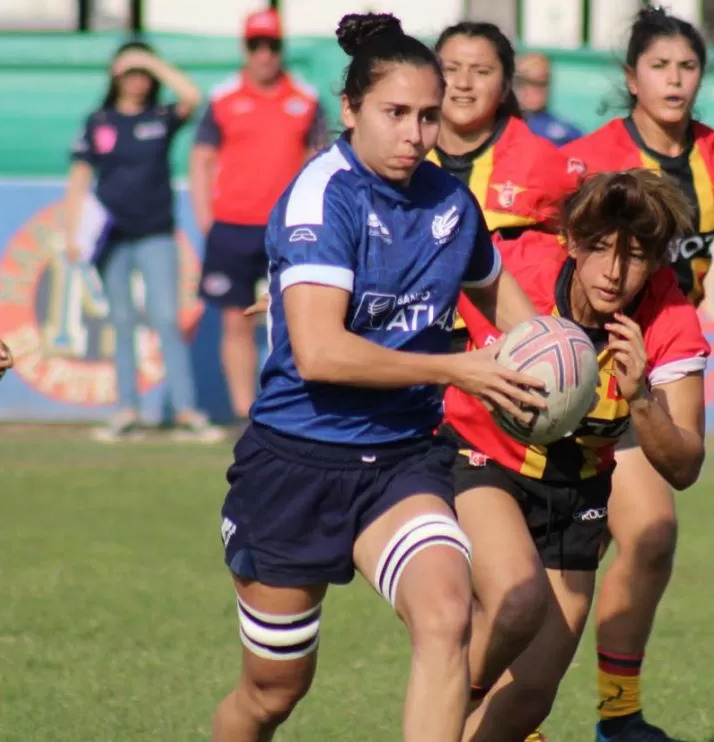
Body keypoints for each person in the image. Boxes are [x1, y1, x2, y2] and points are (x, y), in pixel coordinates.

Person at [211, 14, 548, 742]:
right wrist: (458, 367)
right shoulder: (321, 197)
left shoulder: (450, 205)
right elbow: (321, 355)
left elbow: (512, 312)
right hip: (296, 464)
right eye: (396, 113)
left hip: (400, 460)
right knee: (272, 692)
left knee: (447, 614)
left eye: (429, 116)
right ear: (351, 110)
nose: (415, 134)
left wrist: (559, 366)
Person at [560, 8, 714, 740]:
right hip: (573, 374)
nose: (675, 80)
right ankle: (513, 710)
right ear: (631, 78)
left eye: (687, 67)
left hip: (658, 366)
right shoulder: (589, 158)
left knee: (652, 530)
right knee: (561, 552)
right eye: (660, 66)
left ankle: (618, 718)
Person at [443, 169, 710, 742]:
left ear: (658, 260)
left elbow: (685, 466)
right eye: (601, 250)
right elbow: (421, 279)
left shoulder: (668, 318)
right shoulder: (517, 268)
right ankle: (434, 710)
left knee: (532, 697)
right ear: (571, 242)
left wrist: (642, 398)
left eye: (636, 256)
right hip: (480, 460)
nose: (615, 272)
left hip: (577, 492)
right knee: (517, 600)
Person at [64, 40, 221, 442]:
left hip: (156, 232)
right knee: (121, 321)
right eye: (128, 72)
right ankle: (126, 411)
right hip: (111, 237)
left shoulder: (161, 117)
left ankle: (186, 411)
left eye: (142, 74)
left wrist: (150, 59)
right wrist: (71, 230)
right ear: (115, 77)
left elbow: (193, 97)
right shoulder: (98, 121)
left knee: (167, 318)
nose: (136, 80)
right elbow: (81, 176)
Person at [190, 8, 328, 425]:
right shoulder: (223, 98)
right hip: (231, 226)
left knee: (294, 319)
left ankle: (288, 410)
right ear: (245, 48)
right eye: (256, 45)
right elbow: (201, 159)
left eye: (272, 46)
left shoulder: (304, 99)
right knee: (235, 321)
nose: (264, 54)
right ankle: (242, 413)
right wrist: (206, 219)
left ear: (281, 49)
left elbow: (318, 160)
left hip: (288, 230)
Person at [432, 22, 578, 356]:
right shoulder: (402, 155)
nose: (464, 84)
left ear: (505, 85)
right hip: (412, 348)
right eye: (450, 69)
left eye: (481, 71)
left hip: (509, 351)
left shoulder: (544, 162)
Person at [514, 51, 583, 147]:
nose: (533, 89)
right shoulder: (500, 128)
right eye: (526, 81)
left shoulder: (568, 134)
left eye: (542, 82)